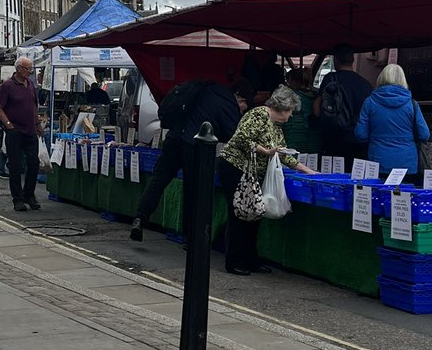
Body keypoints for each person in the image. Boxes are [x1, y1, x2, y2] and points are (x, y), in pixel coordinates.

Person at [217, 85, 316, 276]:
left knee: (254, 214)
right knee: (240, 213)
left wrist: (308, 170)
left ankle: (251, 260)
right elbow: (241, 139)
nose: (290, 116)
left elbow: (283, 154)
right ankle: (234, 261)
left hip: (252, 173)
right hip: (234, 168)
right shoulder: (259, 115)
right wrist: (265, 151)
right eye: (290, 111)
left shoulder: (276, 127)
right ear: (282, 107)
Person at [130, 79, 243, 242]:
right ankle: (191, 236)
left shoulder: (198, 88)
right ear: (240, 98)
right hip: (194, 145)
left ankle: (140, 218)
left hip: (174, 138)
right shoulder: (225, 99)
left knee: (158, 180)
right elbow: (231, 131)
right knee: (193, 189)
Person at [353, 64, 430, 176]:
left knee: (378, 193)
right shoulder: (412, 104)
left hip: (378, 163)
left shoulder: (369, 102)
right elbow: (424, 135)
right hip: (407, 164)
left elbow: (360, 134)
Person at [0, 56, 43, 211]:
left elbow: (33, 107)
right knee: (15, 166)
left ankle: (29, 194)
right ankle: (18, 199)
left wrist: (37, 124)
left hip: (30, 130)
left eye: (31, 68)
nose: (30, 71)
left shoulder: (30, 85)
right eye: (28, 68)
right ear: (19, 69)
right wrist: (8, 124)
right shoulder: (8, 85)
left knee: (33, 163)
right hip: (15, 131)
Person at [314, 43, 371, 166]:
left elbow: (317, 110)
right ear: (353, 60)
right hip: (358, 141)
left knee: (332, 178)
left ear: (336, 60)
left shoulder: (330, 79)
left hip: (333, 138)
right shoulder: (366, 84)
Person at [282, 67, 321, 155]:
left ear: (292, 80)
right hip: (314, 139)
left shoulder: (290, 96)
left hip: (293, 137)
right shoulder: (318, 94)